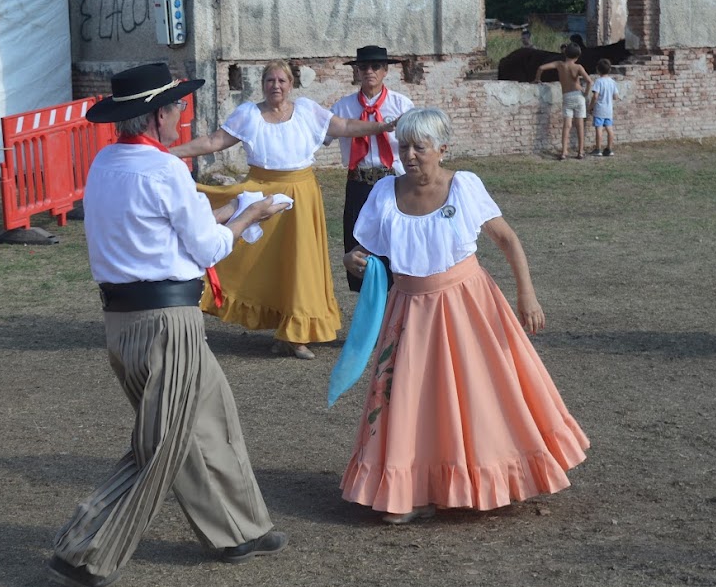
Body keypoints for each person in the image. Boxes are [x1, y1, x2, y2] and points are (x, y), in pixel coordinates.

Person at [48, 63, 292, 587]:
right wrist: (251, 217)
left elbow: (166, 232)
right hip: (167, 323)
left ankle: (240, 529)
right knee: (163, 441)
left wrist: (227, 210)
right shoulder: (164, 171)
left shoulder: (107, 164)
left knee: (211, 418)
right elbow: (206, 248)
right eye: (177, 107)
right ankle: (83, 547)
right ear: (158, 114)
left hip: (124, 319)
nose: (182, 115)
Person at [340, 108, 589, 523]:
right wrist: (354, 261)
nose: (411, 155)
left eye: (420, 146)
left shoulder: (464, 186)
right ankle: (411, 492)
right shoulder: (383, 193)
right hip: (408, 311)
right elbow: (362, 252)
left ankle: (492, 478)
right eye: (404, 146)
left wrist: (526, 295)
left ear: (442, 149)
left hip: (467, 307)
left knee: (479, 395)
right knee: (409, 399)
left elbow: (507, 239)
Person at [169, 59, 398, 360]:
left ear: (290, 85)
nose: (275, 86)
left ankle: (295, 334)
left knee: (299, 264)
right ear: (262, 85)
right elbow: (213, 141)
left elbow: (342, 126)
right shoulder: (249, 115)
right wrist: (168, 152)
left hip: (302, 195)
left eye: (281, 81)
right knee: (262, 262)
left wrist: (381, 126)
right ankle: (280, 326)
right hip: (261, 194)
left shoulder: (305, 110)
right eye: (270, 81)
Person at [331, 45, 413, 292]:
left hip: (392, 182)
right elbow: (319, 136)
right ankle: (369, 309)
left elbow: (417, 140)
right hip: (359, 182)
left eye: (375, 66)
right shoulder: (343, 108)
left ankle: (398, 303)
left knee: (395, 243)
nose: (369, 71)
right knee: (359, 243)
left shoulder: (402, 104)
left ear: (386, 70)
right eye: (364, 66)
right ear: (356, 71)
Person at [536, 44, 591, 160]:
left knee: (567, 125)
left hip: (567, 96)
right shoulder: (578, 67)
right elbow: (589, 81)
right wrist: (585, 93)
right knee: (580, 125)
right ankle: (580, 152)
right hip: (578, 95)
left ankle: (564, 152)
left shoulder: (559, 64)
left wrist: (537, 79)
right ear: (577, 56)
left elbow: (541, 68)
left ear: (565, 53)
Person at [589, 58, 620, 157]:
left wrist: (590, 106)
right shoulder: (612, 81)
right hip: (609, 109)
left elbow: (595, 96)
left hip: (599, 109)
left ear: (598, 69)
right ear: (610, 70)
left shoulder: (598, 81)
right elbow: (616, 96)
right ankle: (609, 149)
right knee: (609, 129)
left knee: (599, 128)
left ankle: (598, 149)